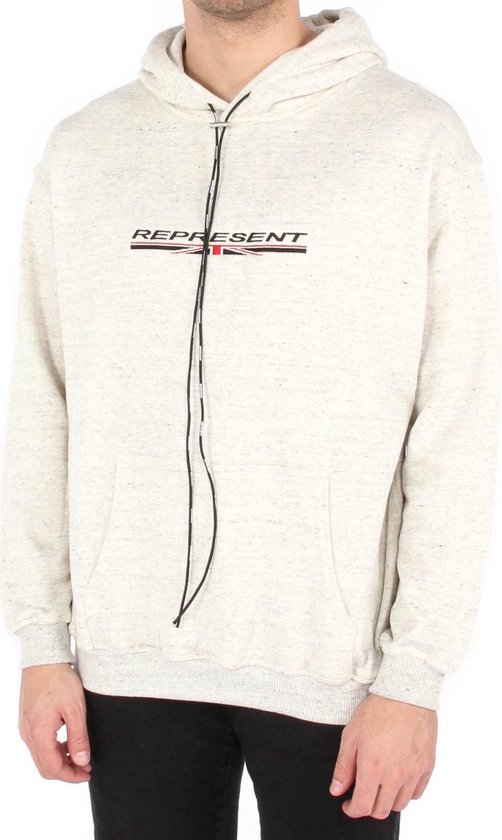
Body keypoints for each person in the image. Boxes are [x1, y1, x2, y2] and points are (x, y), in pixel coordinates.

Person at [1, 2, 500, 838]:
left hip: (340, 681)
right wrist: (41, 641)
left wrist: (414, 676)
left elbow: (460, 421)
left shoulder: (415, 140)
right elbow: (41, 403)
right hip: (125, 670)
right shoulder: (86, 148)